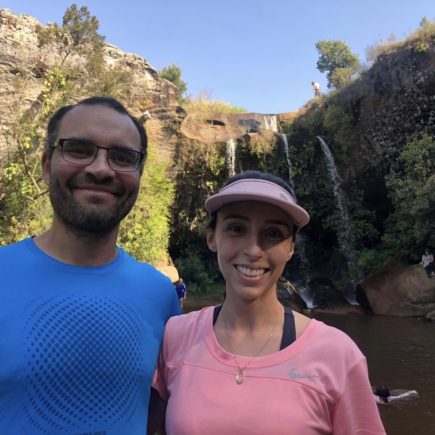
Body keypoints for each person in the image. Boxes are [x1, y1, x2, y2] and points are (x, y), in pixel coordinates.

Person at [149, 170, 386, 434]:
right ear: (211, 238)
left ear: (291, 248)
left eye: (273, 233)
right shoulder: (176, 335)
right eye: (236, 228)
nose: (253, 250)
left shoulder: (338, 354)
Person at [0, 96, 180, 434]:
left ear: (139, 176)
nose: (100, 169)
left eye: (122, 157)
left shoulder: (159, 294)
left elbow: (162, 410)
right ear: (45, 164)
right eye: (79, 150)